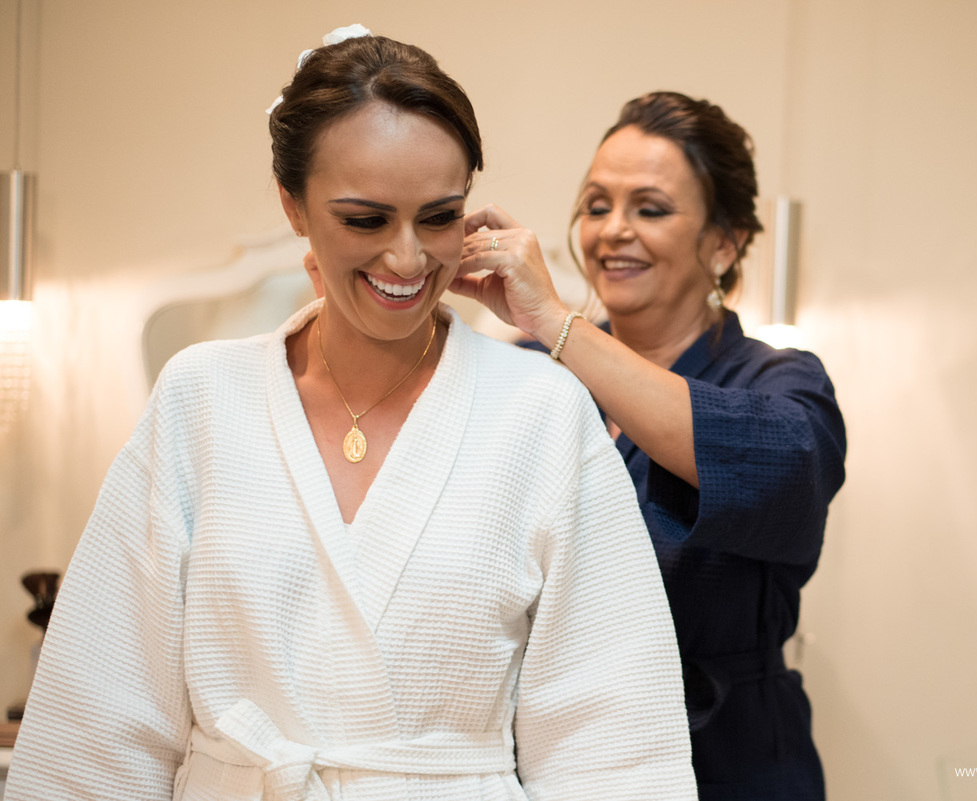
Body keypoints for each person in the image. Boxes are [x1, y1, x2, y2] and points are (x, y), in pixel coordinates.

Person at [5, 30, 697, 801]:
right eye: (366, 220)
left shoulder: (541, 412)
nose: (407, 258)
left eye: (439, 217)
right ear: (293, 204)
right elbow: (101, 725)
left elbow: (611, 748)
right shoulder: (200, 398)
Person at [453, 91, 847, 800]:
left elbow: (785, 467)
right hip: (551, 764)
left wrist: (558, 323)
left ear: (724, 243)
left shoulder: (779, 381)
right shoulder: (529, 372)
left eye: (651, 209)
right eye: (597, 205)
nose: (613, 231)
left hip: (727, 766)